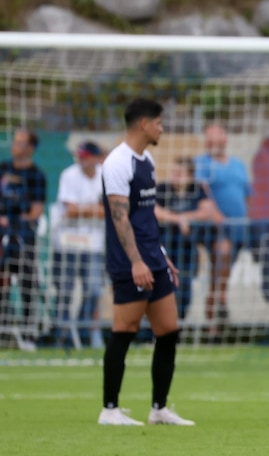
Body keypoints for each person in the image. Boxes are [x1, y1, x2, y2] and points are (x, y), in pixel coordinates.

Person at [98, 98, 194, 426]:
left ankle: (159, 409)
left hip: (153, 258)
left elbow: (146, 215)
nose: (161, 129)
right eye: (158, 123)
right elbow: (120, 217)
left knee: (168, 330)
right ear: (143, 124)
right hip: (129, 262)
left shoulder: (147, 160)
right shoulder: (116, 163)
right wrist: (137, 261)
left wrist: (161, 257)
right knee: (124, 329)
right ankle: (109, 409)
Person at [194, 123, 252, 326]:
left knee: (222, 270)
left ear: (225, 140)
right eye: (209, 139)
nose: (213, 143)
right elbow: (203, 192)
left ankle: (219, 305)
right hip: (215, 227)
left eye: (216, 138)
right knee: (222, 254)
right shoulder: (201, 163)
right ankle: (217, 305)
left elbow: (247, 195)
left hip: (238, 226)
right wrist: (216, 215)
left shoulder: (238, 165)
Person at [51, 141, 106, 349]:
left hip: (93, 244)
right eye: (80, 156)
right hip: (67, 242)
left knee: (93, 289)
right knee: (64, 289)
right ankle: (63, 335)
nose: (82, 159)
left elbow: (107, 211)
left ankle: (82, 330)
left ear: (94, 157)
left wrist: (84, 209)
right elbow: (70, 210)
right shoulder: (69, 174)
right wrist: (95, 209)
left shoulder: (104, 175)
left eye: (85, 156)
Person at [155, 157, 223, 320]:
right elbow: (153, 211)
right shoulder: (163, 189)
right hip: (164, 247)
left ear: (190, 175)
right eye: (174, 172)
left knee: (184, 287)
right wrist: (178, 219)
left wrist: (185, 217)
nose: (175, 176)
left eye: (179, 173)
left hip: (186, 250)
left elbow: (207, 212)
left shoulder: (197, 189)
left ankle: (178, 324)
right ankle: (154, 331)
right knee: (161, 288)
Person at [0, 128, 46, 351]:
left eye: (20, 142)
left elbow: (37, 210)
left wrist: (19, 221)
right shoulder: (3, 169)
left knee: (28, 284)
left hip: (24, 238)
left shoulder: (37, 175)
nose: (15, 146)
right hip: (1, 237)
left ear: (30, 148)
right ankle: (4, 330)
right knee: (3, 283)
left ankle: (28, 334)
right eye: (14, 142)